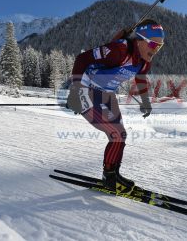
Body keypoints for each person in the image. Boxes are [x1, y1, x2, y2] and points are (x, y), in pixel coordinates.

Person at [66, 19, 165, 194]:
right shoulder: (119, 50)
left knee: (120, 134)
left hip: (106, 94)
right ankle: (109, 177)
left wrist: (145, 101)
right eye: (152, 44)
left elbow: (140, 79)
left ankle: (112, 174)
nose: (155, 50)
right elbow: (82, 59)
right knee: (116, 133)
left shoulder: (144, 61)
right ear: (139, 40)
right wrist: (75, 91)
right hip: (86, 91)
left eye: (159, 47)